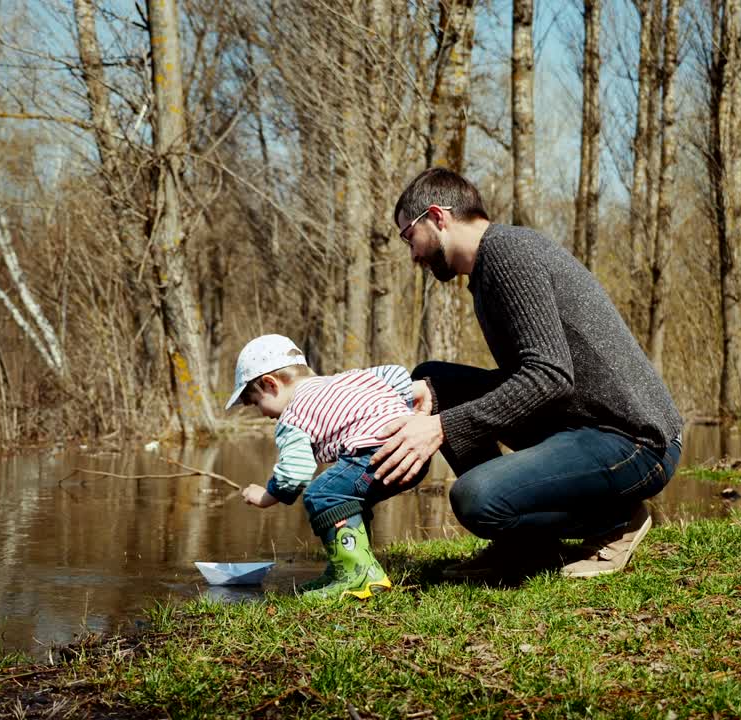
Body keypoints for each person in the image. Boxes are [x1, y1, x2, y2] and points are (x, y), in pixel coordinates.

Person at [371, 167, 684, 580]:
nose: (412, 254)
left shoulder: (507, 254)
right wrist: (436, 403)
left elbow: (549, 376)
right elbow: (542, 380)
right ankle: (523, 545)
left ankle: (616, 520)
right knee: (434, 381)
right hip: (583, 422)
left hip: (636, 441)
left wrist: (441, 427)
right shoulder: (486, 269)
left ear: (437, 216)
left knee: (475, 499)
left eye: (409, 236)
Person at [227, 334, 430, 599]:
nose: (263, 414)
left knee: (322, 493)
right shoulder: (345, 379)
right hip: (413, 447)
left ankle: (359, 577)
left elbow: (295, 471)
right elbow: (392, 374)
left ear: (271, 384)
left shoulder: (293, 416)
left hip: (379, 454)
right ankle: (344, 570)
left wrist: (267, 496)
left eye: (256, 403)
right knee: (345, 495)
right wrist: (417, 390)